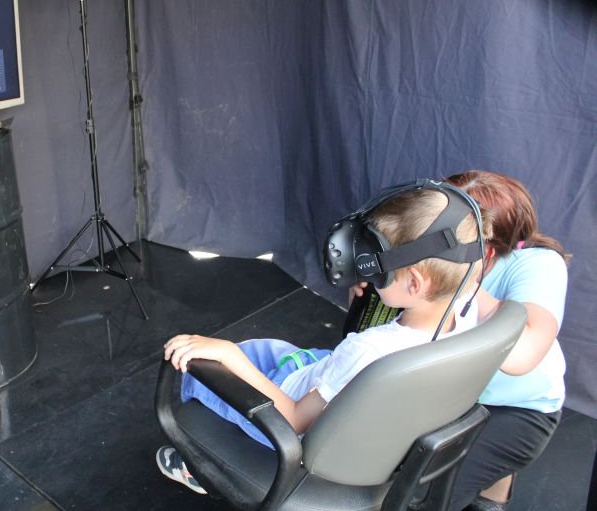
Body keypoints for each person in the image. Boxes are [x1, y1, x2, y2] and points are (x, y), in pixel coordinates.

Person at [156, 186, 489, 495]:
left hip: (289, 422)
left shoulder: (367, 350)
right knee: (263, 349)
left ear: (415, 284)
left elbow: (295, 419)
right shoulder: (468, 315)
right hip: (346, 404)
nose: (368, 269)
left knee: (203, 367)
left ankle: (197, 462)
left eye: (379, 264)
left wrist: (231, 356)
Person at [443, 171, 570, 511]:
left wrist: (463, 280)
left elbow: (523, 353)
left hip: (516, 407)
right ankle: (494, 487)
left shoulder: (539, 264)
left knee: (427, 499)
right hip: (452, 395)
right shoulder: (434, 258)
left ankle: (494, 488)